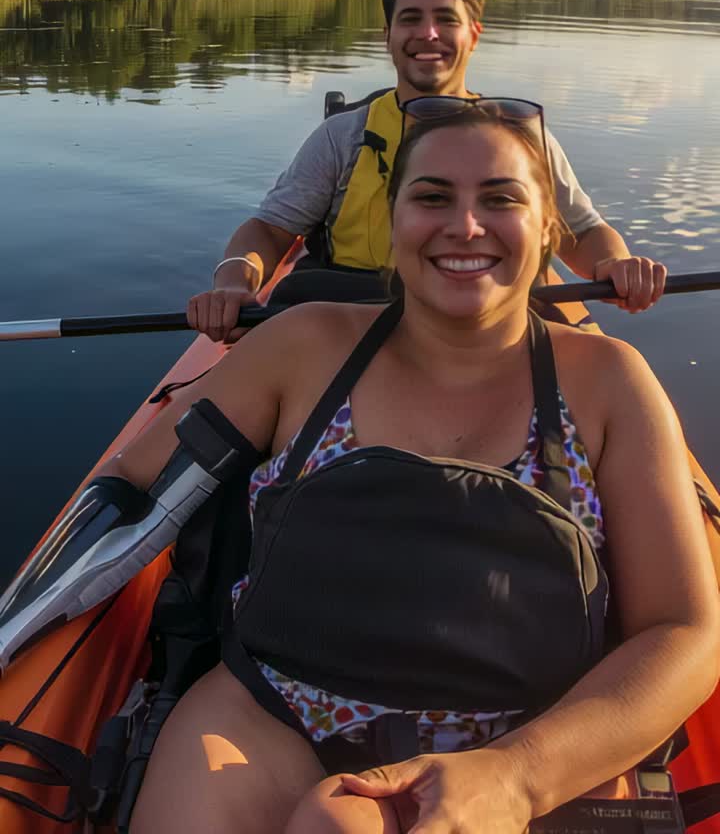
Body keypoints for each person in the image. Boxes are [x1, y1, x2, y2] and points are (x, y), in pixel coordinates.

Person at [0, 104, 715, 834]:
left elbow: (684, 630)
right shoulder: (302, 345)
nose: (465, 225)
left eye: (501, 199)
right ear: (394, 221)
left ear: (547, 231)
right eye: (432, 196)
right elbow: (130, 488)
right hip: (270, 717)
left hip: (529, 736)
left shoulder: (608, 383)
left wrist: (519, 777)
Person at [186, 0, 667, 343]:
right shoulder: (343, 137)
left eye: (446, 19)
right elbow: (268, 233)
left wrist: (614, 265)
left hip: (487, 327)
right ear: (388, 37)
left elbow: (581, 233)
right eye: (410, 19)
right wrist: (233, 281)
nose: (428, 34)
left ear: (473, 34)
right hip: (349, 320)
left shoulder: (523, 140)